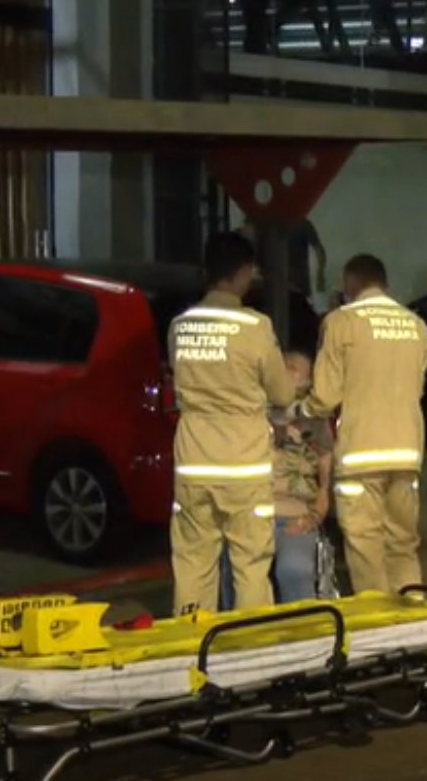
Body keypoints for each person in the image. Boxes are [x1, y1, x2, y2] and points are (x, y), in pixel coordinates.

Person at [169, 232, 295, 616]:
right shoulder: (255, 327)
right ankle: (250, 652)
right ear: (242, 272)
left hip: (193, 463)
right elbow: (283, 394)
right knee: (251, 564)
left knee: (192, 563)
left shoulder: (180, 326)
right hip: (243, 465)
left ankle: (192, 648)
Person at [298, 253, 427, 595]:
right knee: (402, 546)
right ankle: (413, 625)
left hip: (361, 456)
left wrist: (302, 411)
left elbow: (325, 396)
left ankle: (378, 634)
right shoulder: (416, 326)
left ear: (350, 283)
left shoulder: (341, 322)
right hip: (407, 454)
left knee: (366, 551)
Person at [219, 351, 334, 608]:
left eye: (292, 368)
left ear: (306, 383)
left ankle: (305, 636)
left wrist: (313, 517)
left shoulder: (314, 424)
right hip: (252, 515)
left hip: (294, 516)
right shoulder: (251, 415)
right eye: (279, 366)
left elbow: (325, 481)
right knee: (240, 573)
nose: (282, 372)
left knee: (293, 569)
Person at [238, 216, 327, 300]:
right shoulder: (301, 223)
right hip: (289, 283)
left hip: (276, 284)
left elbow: (318, 249)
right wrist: (321, 274)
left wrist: (321, 274)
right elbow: (319, 249)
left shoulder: (265, 223)